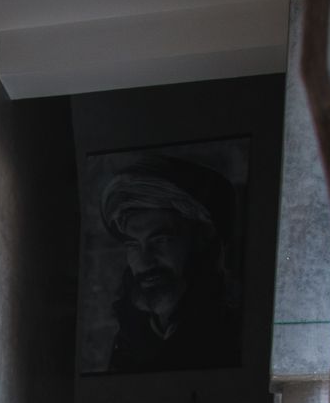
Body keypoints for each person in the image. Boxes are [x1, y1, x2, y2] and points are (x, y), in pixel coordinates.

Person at [99, 153, 241, 373]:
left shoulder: (233, 332)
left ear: (200, 238)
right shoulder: (128, 341)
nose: (144, 261)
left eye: (160, 241)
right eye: (133, 245)